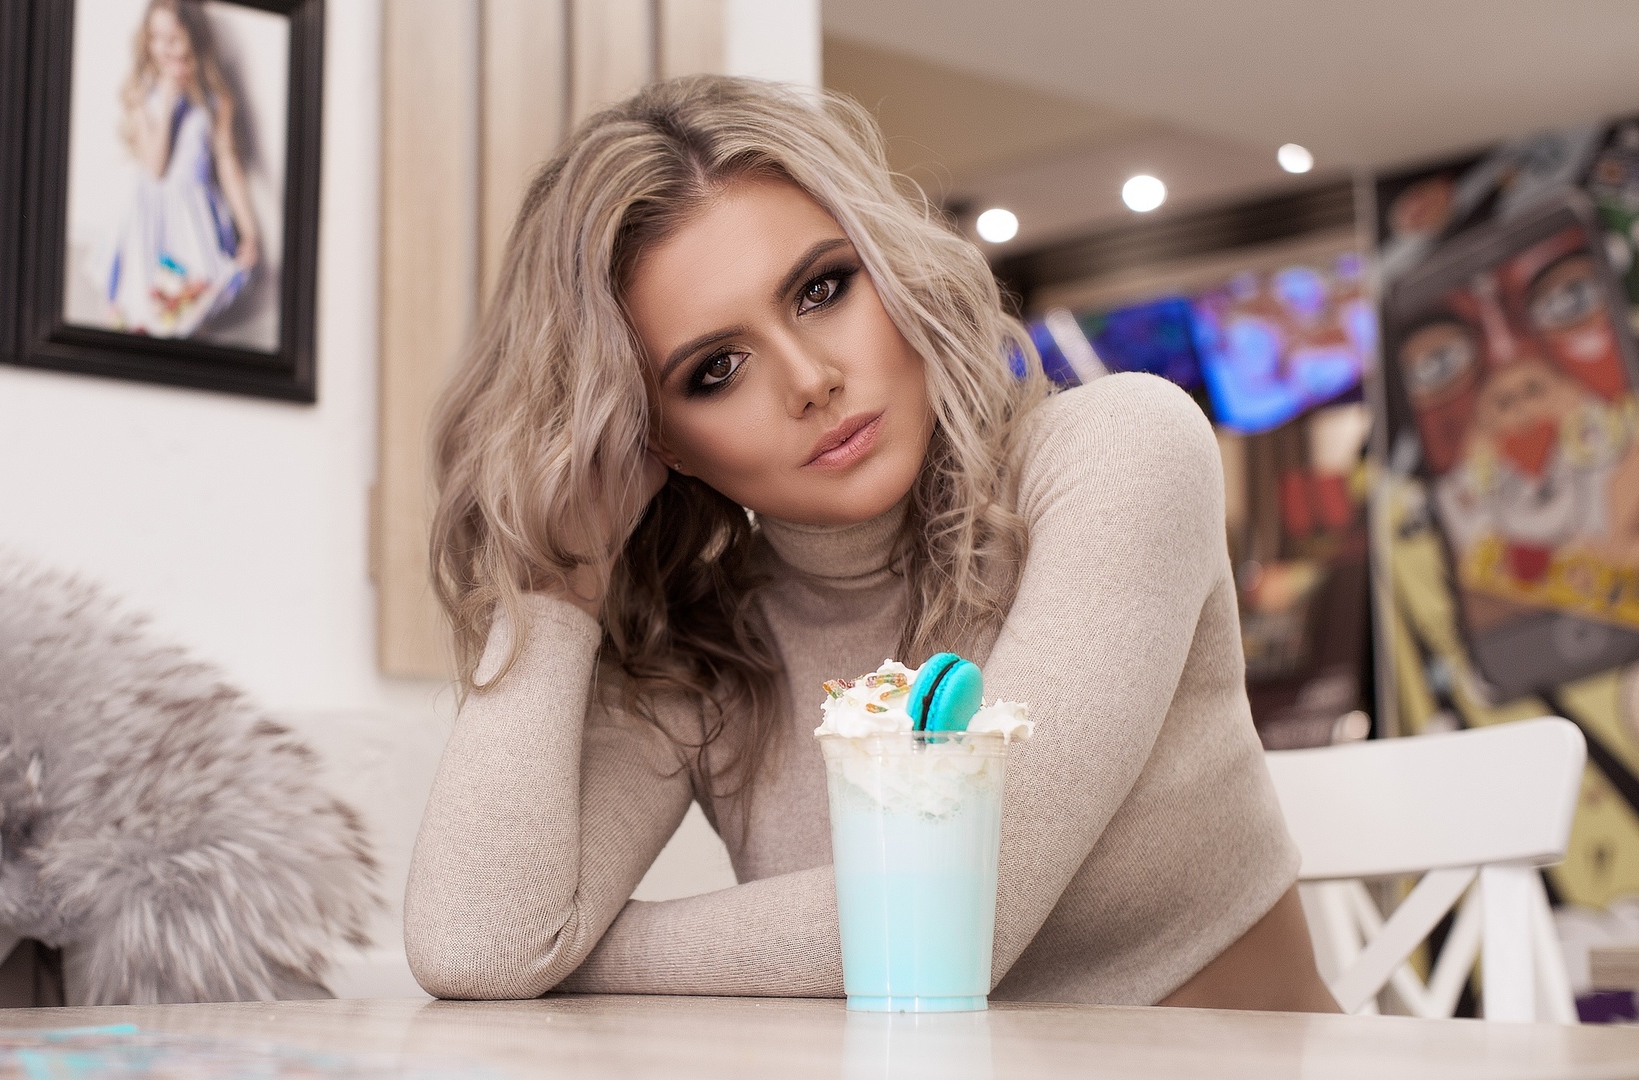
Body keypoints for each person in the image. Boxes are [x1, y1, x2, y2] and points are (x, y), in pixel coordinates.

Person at [405, 76, 1338, 1011]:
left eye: (822, 288)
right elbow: (479, 946)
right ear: (655, 443)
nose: (811, 379)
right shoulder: (705, 646)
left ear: (889, 266)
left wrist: (576, 955)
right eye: (715, 369)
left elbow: (957, 923)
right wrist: (558, 584)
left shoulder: (1119, 452)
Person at [96, 0, 259, 339]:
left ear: (194, 37)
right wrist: (168, 100)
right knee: (143, 308)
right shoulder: (142, 92)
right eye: (155, 38)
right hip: (150, 216)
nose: (163, 48)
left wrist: (248, 229)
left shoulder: (216, 97)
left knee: (190, 302)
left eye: (173, 37)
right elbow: (155, 169)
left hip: (193, 217)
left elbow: (228, 164)